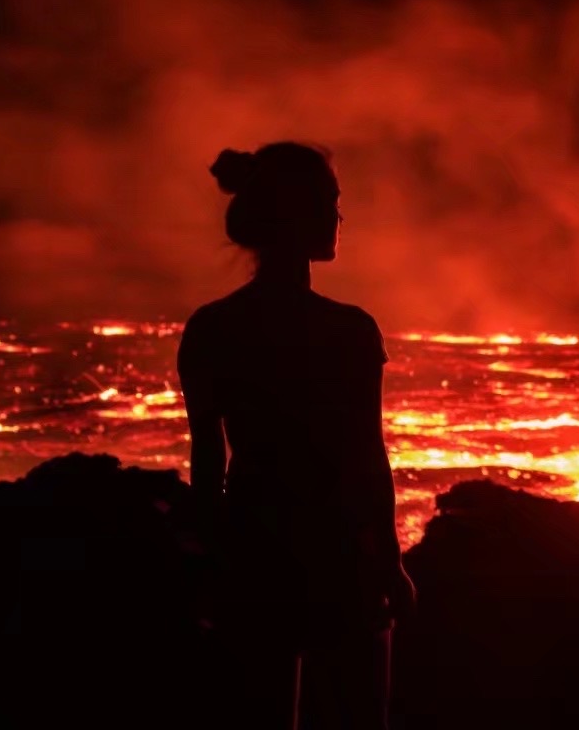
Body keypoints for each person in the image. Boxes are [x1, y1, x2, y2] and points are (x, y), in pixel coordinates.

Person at [177, 141, 415, 729]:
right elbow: (366, 454)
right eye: (330, 203)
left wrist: (209, 559)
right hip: (339, 550)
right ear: (296, 215)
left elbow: (208, 462)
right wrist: (389, 562)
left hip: (254, 547)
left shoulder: (212, 328)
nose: (339, 217)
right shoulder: (350, 331)